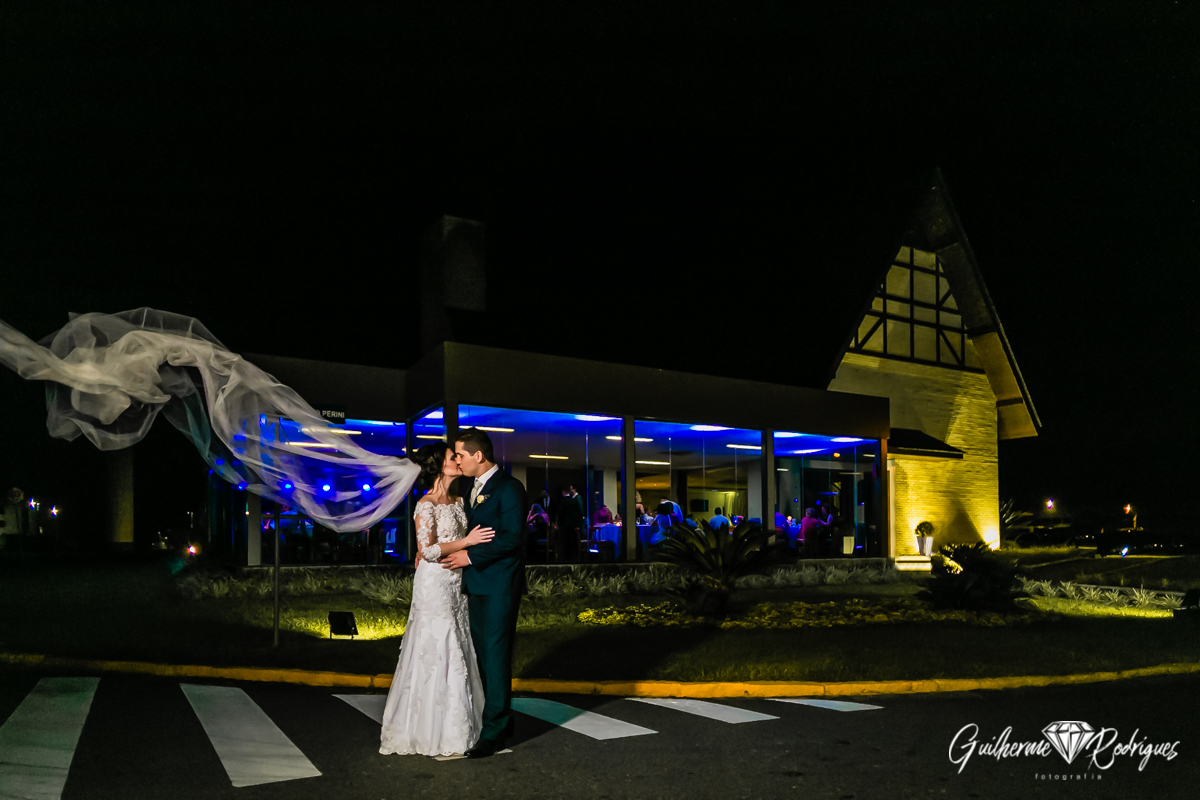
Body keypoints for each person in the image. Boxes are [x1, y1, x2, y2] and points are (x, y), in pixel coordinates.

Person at [380, 442, 495, 757]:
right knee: (438, 646)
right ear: (437, 465)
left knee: (459, 641)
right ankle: (430, 729)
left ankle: (461, 725)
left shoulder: (460, 501)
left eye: (458, 456)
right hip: (434, 583)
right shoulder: (425, 504)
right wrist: (467, 542)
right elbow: (428, 550)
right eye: (451, 457)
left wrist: (464, 548)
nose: (458, 461)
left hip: (458, 580)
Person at [440, 428, 528, 759]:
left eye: (460, 455)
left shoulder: (509, 488)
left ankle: (493, 733)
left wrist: (470, 556)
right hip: (476, 585)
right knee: (483, 658)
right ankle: (500, 722)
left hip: (499, 586)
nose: (457, 461)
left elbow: (512, 538)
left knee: (494, 657)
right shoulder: (471, 488)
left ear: (479, 456)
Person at [554, 485, 584, 561]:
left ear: (563, 492)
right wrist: (578, 524)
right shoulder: (574, 500)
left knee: (565, 543)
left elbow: (561, 514)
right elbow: (579, 513)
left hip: (565, 526)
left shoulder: (563, 501)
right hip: (573, 526)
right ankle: (574, 557)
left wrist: (559, 524)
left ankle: (565, 558)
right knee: (572, 543)